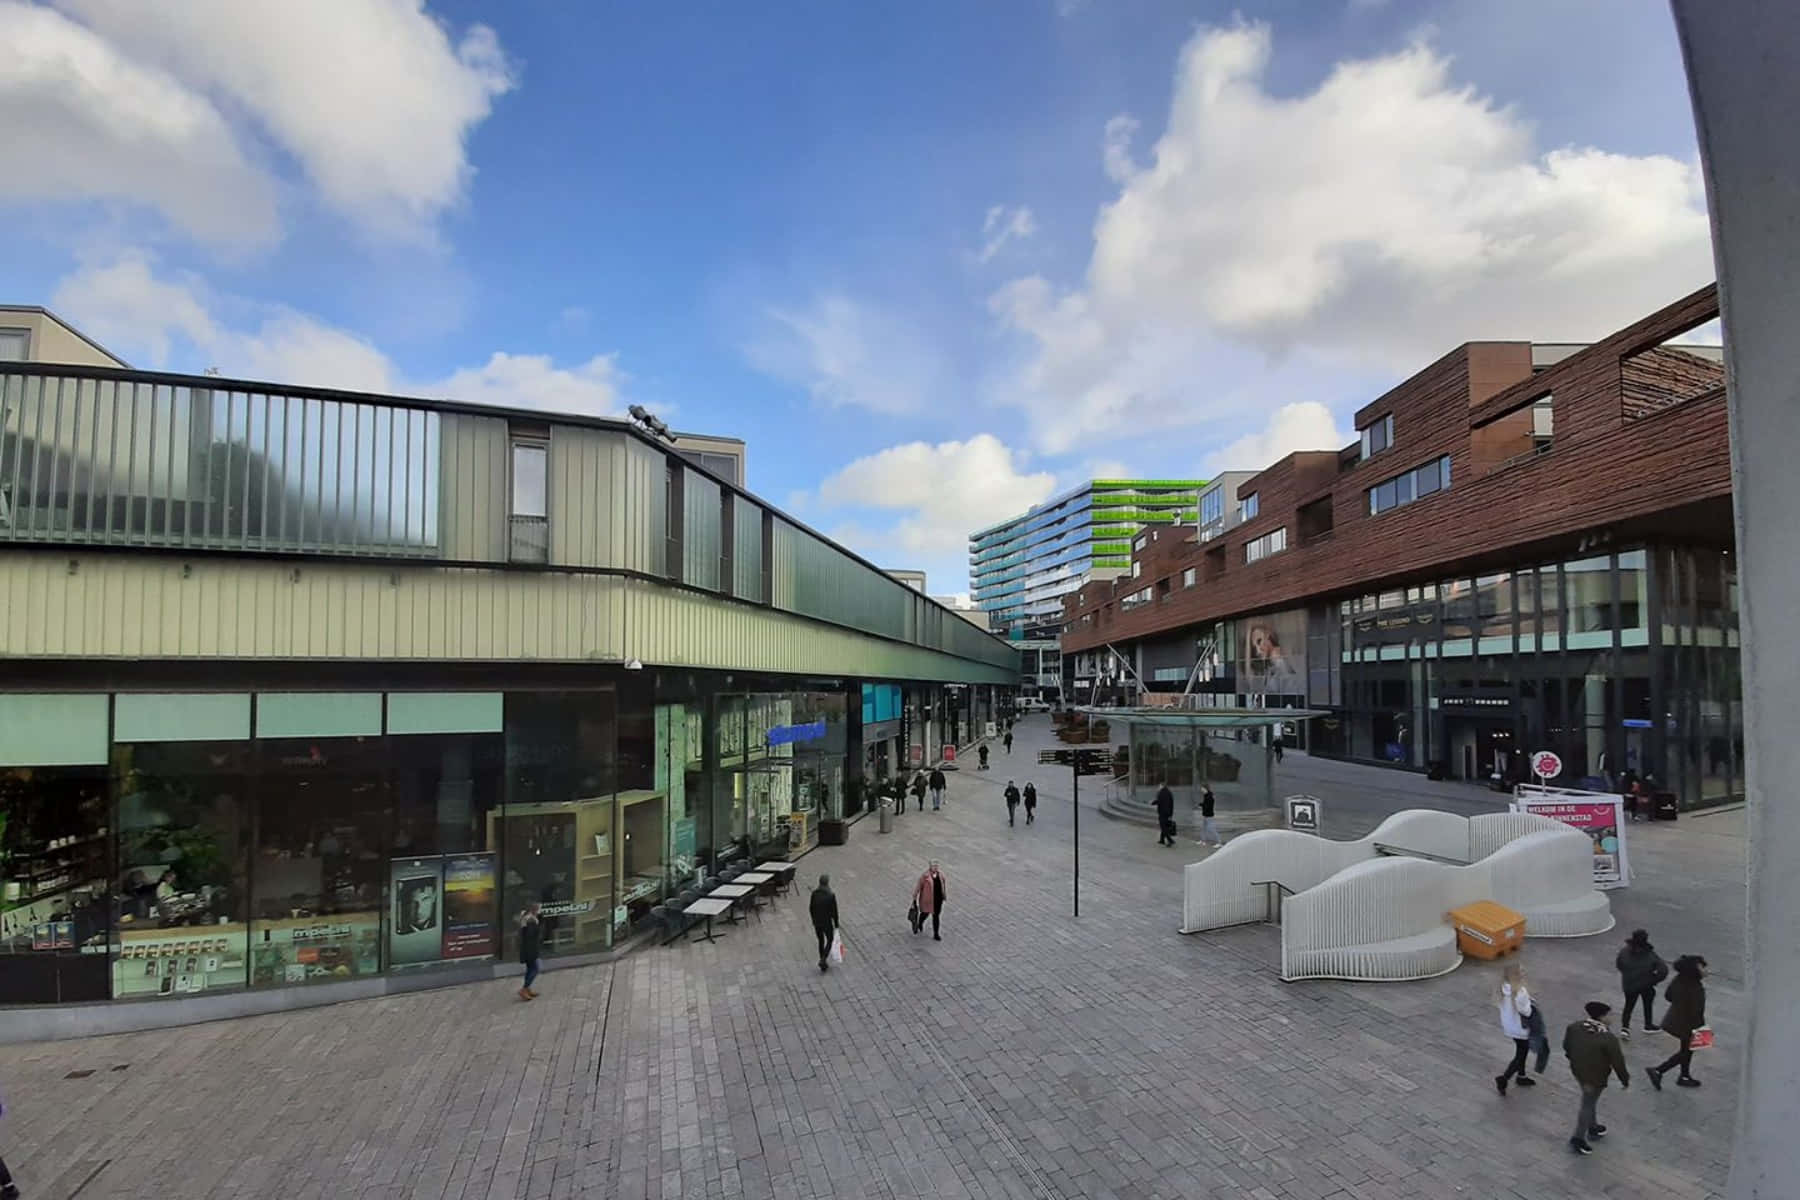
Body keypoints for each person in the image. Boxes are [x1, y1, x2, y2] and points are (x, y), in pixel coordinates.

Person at [1563, 1000, 1630, 1155]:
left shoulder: (1574, 1027)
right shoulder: (1608, 1038)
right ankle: (1578, 1138)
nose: (1612, 1017)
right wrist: (1624, 1079)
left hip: (1578, 1071)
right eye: (1609, 1015)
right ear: (1602, 1017)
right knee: (1588, 1103)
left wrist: (1574, 1059)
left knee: (1590, 1099)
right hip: (1595, 1076)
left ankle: (1593, 1126)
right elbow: (1618, 1062)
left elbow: (1566, 1046)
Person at [1649, 955, 1708, 1089]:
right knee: (1687, 1051)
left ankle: (1684, 1076)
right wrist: (1702, 1029)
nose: (1706, 970)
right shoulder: (1694, 987)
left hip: (1676, 1019)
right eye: (1703, 967)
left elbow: (1668, 996)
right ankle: (1659, 1070)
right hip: (1689, 1024)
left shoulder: (1680, 979)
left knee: (1686, 1049)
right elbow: (1696, 1011)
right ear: (1695, 970)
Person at [1615, 928, 1668, 1038]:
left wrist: (1627, 974)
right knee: (1647, 1005)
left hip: (1629, 984)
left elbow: (1619, 965)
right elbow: (1663, 970)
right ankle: (1648, 1025)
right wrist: (1653, 980)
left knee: (1628, 1006)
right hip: (1646, 984)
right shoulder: (1649, 954)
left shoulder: (1624, 951)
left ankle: (1625, 1028)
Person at [1494, 963, 1537, 1094]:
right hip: (1521, 1028)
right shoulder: (1520, 991)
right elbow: (1526, 1011)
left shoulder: (1502, 987)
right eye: (1521, 971)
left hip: (1510, 1026)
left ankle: (1521, 1076)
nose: (1524, 972)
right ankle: (1504, 1078)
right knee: (1521, 1054)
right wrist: (1530, 1004)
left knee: (1521, 1049)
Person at [810, 874, 840, 972]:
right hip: (826, 922)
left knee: (821, 941)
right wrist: (836, 924)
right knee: (830, 939)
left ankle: (822, 962)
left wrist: (813, 919)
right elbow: (834, 911)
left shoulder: (814, 893)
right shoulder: (831, 895)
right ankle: (823, 959)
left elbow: (811, 908)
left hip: (817, 922)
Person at [913, 861, 947, 940]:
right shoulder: (925, 876)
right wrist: (915, 895)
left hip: (938, 900)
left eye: (936, 866)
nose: (935, 867)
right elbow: (919, 886)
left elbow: (943, 885)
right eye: (934, 866)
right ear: (930, 867)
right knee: (925, 913)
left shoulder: (940, 875)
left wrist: (944, 895)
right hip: (928, 900)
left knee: (936, 916)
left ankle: (936, 934)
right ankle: (920, 922)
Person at [517, 901, 542, 1001]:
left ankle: (527, 989)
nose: (541, 911)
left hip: (527, 949)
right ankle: (524, 989)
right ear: (535, 910)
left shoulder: (527, 917)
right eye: (539, 909)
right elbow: (530, 936)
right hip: (530, 950)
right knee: (535, 969)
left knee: (530, 969)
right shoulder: (531, 921)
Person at [1154, 780, 1176, 847]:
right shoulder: (1169, 792)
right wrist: (1171, 814)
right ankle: (1162, 840)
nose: (1158, 787)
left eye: (1159, 786)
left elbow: (1159, 801)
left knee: (1163, 827)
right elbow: (1171, 803)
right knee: (1164, 826)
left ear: (1162, 786)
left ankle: (1170, 840)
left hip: (1163, 813)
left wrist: (1153, 803)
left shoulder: (1161, 793)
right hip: (1168, 812)